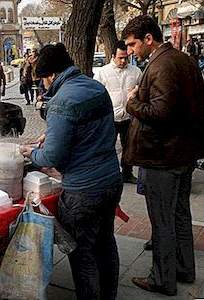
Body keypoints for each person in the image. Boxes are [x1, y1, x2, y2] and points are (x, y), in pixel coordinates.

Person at [21, 43, 122, 300]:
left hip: (83, 191)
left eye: (42, 79)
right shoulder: (96, 87)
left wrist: (30, 153)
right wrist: (53, 134)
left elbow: (52, 157)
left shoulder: (61, 101)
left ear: (51, 75)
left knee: (82, 252)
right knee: (106, 243)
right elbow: (92, 132)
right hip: (111, 180)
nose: (43, 85)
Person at [121, 15, 204, 296]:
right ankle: (184, 269)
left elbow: (160, 113)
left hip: (163, 156)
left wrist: (132, 101)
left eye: (133, 45)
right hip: (182, 153)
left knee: (163, 220)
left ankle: (162, 279)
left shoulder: (164, 64)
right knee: (180, 215)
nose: (131, 51)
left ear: (148, 38)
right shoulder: (183, 60)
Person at [94, 40, 142, 184]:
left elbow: (142, 88)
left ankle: (127, 173)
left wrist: (136, 90)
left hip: (129, 117)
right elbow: (96, 94)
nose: (123, 60)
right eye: (120, 57)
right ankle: (109, 173)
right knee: (108, 146)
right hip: (110, 117)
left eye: (126, 57)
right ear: (113, 56)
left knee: (129, 146)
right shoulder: (103, 72)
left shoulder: (136, 71)